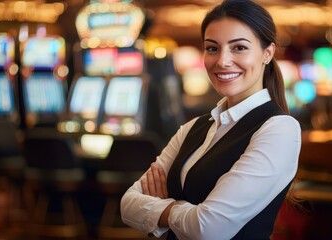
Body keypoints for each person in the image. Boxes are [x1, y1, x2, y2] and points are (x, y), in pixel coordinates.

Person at [120, 0, 301, 239]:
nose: (222, 61)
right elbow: (127, 205)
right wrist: (188, 214)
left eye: (239, 48)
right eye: (212, 48)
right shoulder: (193, 127)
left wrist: (167, 207)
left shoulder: (280, 129)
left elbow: (209, 229)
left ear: (267, 53)